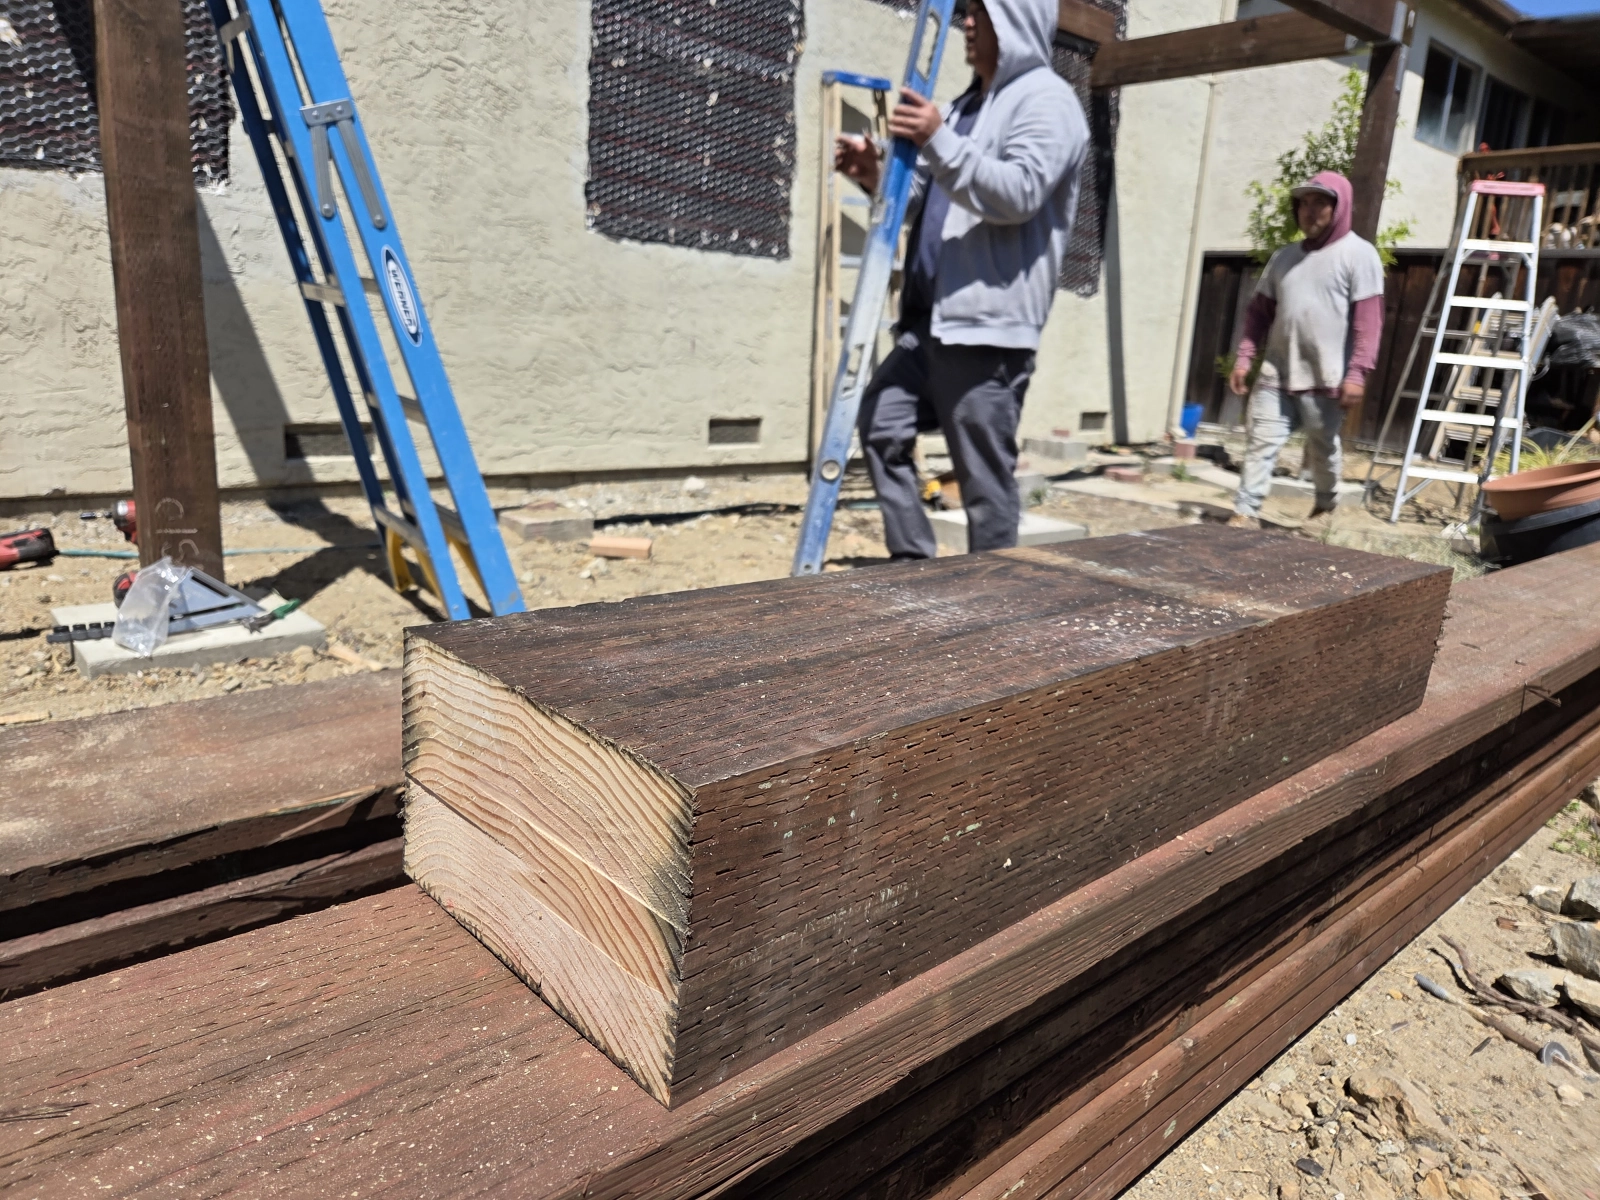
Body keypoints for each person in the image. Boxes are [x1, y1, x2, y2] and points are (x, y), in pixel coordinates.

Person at [834, 0, 1087, 558]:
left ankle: (992, 605)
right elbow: (924, 195)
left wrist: (937, 138)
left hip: (986, 331)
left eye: (981, 11)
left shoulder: (1049, 102)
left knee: (982, 481)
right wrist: (875, 175)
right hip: (931, 321)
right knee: (880, 423)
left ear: (1017, 19)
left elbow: (1017, 194)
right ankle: (914, 564)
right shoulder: (964, 107)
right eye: (967, 11)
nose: (967, 22)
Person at [1226, 171, 1385, 533]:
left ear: (1339, 206)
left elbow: (1368, 321)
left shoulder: (1359, 255)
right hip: (1276, 372)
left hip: (1325, 376)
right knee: (1260, 441)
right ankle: (1245, 511)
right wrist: (1245, 357)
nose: (1310, 212)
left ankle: (1326, 505)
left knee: (1322, 446)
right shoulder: (1284, 258)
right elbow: (1258, 313)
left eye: (1320, 203)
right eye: (1304, 203)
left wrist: (1357, 372)